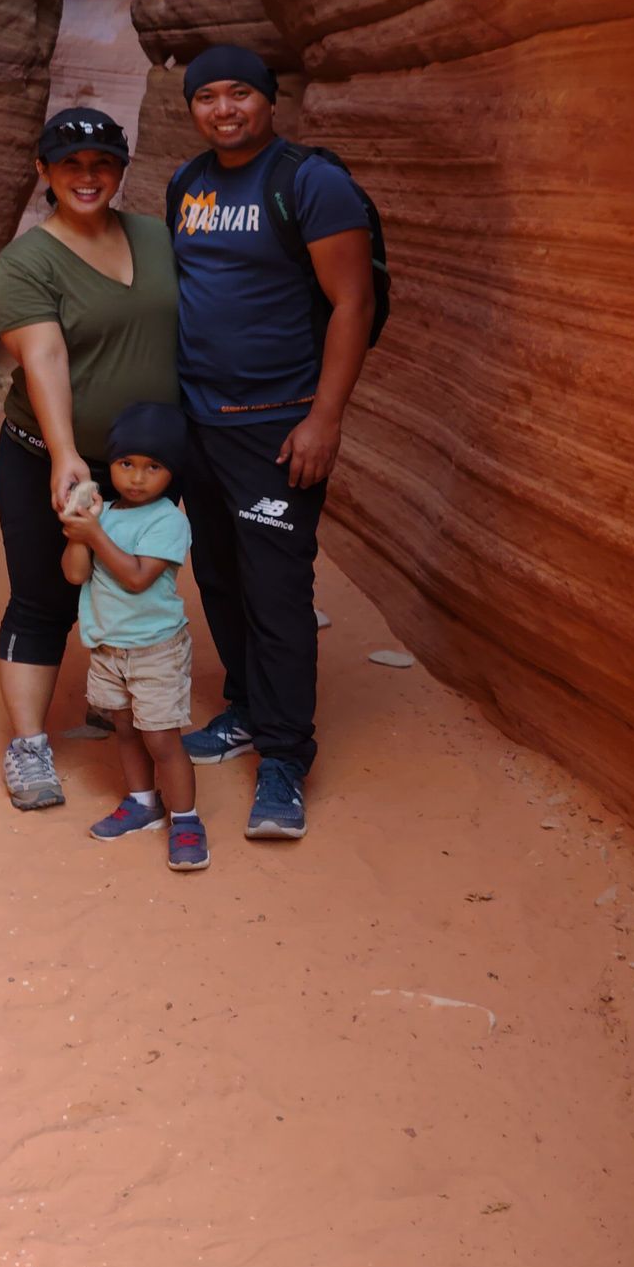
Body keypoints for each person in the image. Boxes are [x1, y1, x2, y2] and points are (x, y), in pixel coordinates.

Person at [167, 44, 376, 842]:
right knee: (218, 572)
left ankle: (285, 757)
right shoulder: (188, 184)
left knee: (278, 589)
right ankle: (249, 710)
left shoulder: (310, 182)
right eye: (208, 96)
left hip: (277, 424)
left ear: (270, 100)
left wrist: (324, 419)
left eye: (240, 94)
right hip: (200, 419)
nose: (224, 109)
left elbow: (350, 303)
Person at [0, 107, 178, 812]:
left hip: (143, 472)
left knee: (128, 591)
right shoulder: (26, 262)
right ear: (44, 172)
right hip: (47, 457)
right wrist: (67, 454)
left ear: (120, 169)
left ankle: (110, 700)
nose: (86, 177)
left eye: (101, 163)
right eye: (70, 164)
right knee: (43, 596)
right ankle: (29, 745)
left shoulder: (155, 237)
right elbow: (45, 354)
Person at [61, 400, 207, 872]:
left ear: (172, 474)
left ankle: (186, 819)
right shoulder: (103, 515)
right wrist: (77, 533)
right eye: (127, 464)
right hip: (107, 647)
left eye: (153, 467)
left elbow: (137, 578)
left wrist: (97, 534)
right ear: (112, 463)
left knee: (161, 738)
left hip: (155, 650)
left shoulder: (168, 520)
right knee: (124, 729)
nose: (137, 478)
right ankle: (143, 803)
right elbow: (74, 575)